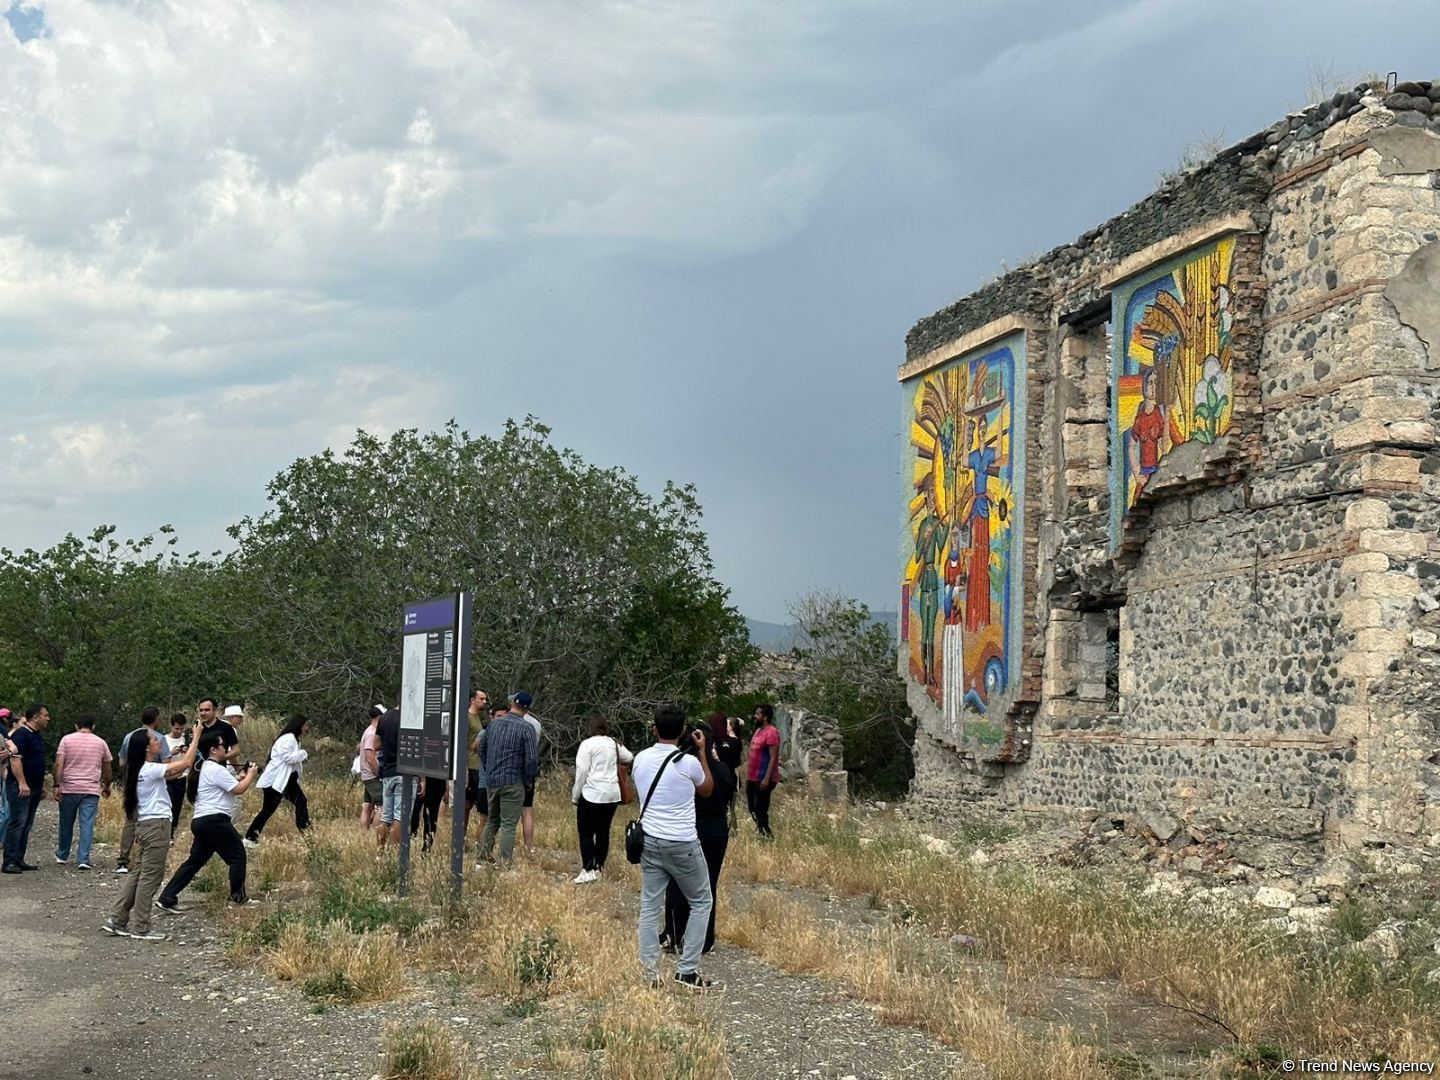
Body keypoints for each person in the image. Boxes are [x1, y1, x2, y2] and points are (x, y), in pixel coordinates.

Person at [632, 704, 720, 991]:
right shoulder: (689, 763)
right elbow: (707, 789)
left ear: (654, 729)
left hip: (650, 840)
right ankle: (687, 971)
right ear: (683, 730)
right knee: (701, 901)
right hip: (682, 841)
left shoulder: (641, 759)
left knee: (649, 904)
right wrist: (702, 752)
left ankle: (650, 974)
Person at [103, 721, 203, 940]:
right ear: (147, 747)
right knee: (151, 876)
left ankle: (118, 919)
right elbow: (186, 764)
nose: (159, 742)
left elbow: (173, 773)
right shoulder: (150, 769)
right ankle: (141, 926)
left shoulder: (139, 769)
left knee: (138, 874)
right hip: (157, 826)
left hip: (145, 825)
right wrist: (196, 737)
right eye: (155, 740)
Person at [156, 731, 260, 910]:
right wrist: (251, 774)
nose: (226, 749)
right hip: (215, 821)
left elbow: (225, 787)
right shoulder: (216, 768)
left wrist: (239, 778)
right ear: (213, 750)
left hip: (201, 821)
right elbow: (238, 790)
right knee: (238, 855)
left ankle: (167, 897)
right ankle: (238, 897)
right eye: (223, 746)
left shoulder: (205, 768)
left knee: (195, 861)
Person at [661, 717, 738, 955]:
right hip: (715, 831)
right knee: (707, 884)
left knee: (676, 881)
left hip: (685, 829)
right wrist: (713, 757)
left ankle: (674, 932)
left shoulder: (679, 769)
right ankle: (704, 939)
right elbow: (728, 789)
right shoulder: (721, 770)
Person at [475, 697, 538, 865]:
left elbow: (481, 749)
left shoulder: (494, 724)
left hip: (492, 780)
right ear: (527, 709)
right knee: (508, 824)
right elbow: (531, 759)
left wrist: (489, 768)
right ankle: (505, 862)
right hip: (513, 781)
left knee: (492, 820)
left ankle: (482, 857)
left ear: (512, 705)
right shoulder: (527, 728)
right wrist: (528, 780)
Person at [571, 715, 633, 883]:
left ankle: (587, 869)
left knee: (586, 832)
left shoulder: (587, 744)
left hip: (592, 792)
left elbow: (582, 771)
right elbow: (629, 757)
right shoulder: (613, 743)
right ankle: (599, 867)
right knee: (603, 831)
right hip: (612, 794)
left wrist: (576, 795)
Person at [115, 707, 172, 874]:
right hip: (152, 783)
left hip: (132, 782)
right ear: (156, 720)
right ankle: (147, 858)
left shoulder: (130, 736)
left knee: (130, 820)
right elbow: (167, 764)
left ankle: (123, 859)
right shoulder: (158, 738)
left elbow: (121, 762)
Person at [53, 714, 113, 869]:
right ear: (93, 726)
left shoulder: (66, 740)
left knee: (66, 823)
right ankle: (83, 859)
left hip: (69, 788)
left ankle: (62, 854)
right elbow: (107, 768)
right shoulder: (101, 743)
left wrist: (57, 784)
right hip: (90, 789)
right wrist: (107, 785)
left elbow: (59, 763)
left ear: (76, 726)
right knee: (87, 824)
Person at [244, 714, 311, 846]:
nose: (307, 729)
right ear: (299, 725)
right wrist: (303, 754)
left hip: (286, 780)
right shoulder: (288, 739)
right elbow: (288, 758)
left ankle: (306, 832)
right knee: (269, 809)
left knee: (300, 802)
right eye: (306, 725)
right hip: (276, 780)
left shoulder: (294, 739)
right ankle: (249, 839)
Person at [3, 704, 51, 874]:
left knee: (27, 824)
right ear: (35, 717)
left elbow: (37, 761)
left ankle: (18, 858)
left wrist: (41, 785)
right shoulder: (22, 735)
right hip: (20, 786)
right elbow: (15, 759)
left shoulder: (36, 736)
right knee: (18, 822)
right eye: (45, 715)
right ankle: (9, 861)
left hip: (34, 787)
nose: (48, 718)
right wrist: (22, 783)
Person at [512, 692, 543, 854]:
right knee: (527, 809)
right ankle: (528, 847)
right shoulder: (536, 724)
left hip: (513, 770)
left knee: (507, 813)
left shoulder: (512, 722)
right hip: (528, 770)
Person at [746, 703, 780, 839]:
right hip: (752, 777)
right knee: (752, 807)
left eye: (758, 714)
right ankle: (761, 830)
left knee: (760, 808)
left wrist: (766, 778)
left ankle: (766, 835)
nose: (755, 716)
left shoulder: (772, 732)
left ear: (765, 717)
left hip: (764, 777)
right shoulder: (758, 731)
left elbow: (773, 758)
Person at [375, 707, 403, 848]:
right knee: (400, 816)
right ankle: (396, 851)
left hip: (387, 772)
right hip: (405, 772)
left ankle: (380, 851)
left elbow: (376, 744)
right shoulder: (410, 718)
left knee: (386, 816)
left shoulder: (384, 718)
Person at [463, 689, 488, 838]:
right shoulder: (467, 717)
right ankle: (462, 837)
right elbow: (464, 743)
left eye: (485, 699)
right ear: (472, 700)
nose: (484, 702)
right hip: (472, 766)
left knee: (469, 805)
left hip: (477, 765)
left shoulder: (477, 717)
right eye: (481, 699)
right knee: (468, 806)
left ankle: (466, 838)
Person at [358, 705, 385, 834]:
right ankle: (377, 833)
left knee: (367, 806)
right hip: (372, 776)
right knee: (381, 807)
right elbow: (370, 757)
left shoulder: (368, 731)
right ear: (380, 716)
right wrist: (379, 773)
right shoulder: (372, 733)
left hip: (367, 775)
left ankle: (364, 834)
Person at [163, 714, 190, 836]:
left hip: (181, 777)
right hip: (167, 777)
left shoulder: (185, 739)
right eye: (176, 728)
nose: (179, 731)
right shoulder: (164, 740)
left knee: (177, 807)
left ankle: (171, 834)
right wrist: (171, 753)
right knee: (168, 806)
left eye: (181, 729)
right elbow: (159, 759)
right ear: (171, 726)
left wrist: (187, 752)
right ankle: (165, 833)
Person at [409, 774, 447, 852]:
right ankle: (412, 839)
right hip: (423, 775)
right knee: (414, 812)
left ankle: (426, 848)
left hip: (436, 778)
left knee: (430, 817)